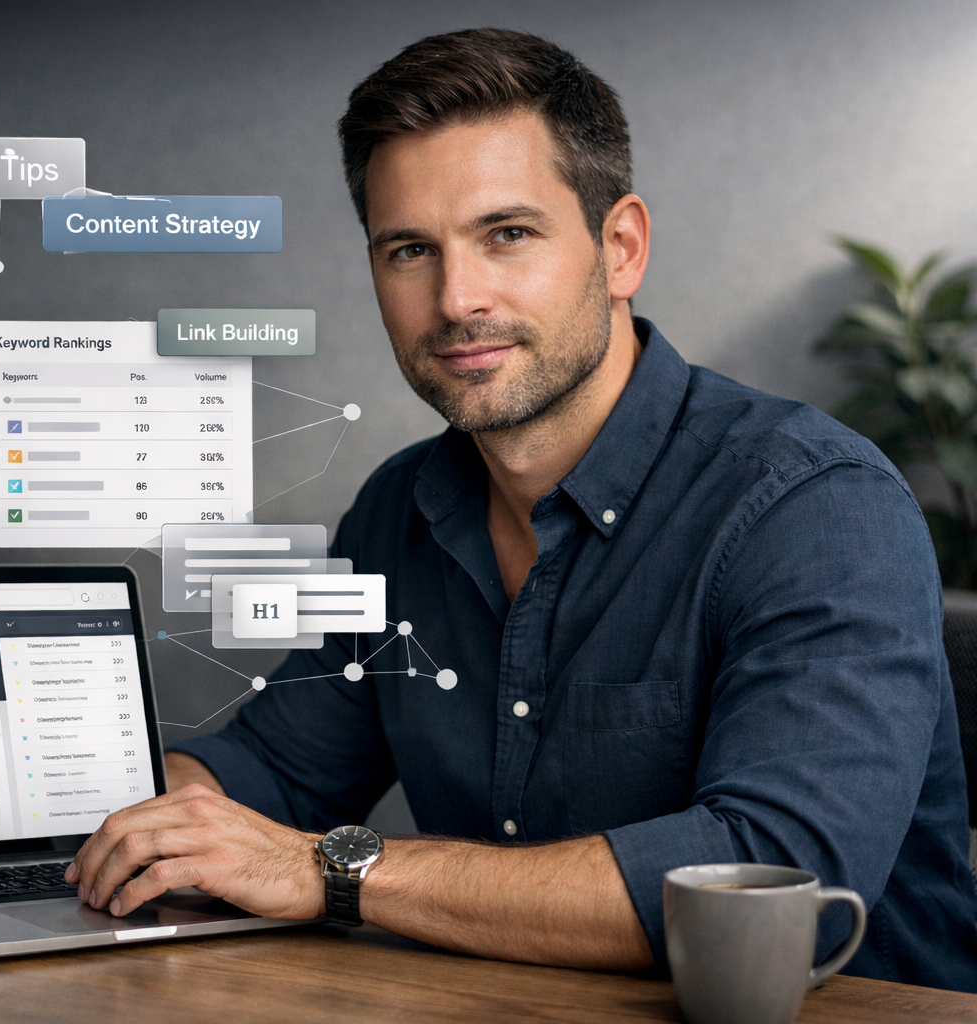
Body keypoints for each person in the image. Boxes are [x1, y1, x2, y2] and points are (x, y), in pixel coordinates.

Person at [65, 28, 977, 989]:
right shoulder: (398, 511)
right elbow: (273, 778)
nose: (457, 299)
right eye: (410, 249)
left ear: (620, 248)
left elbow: (776, 881)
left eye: (508, 234)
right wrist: (61, 820)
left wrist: (331, 871)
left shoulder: (815, 506)